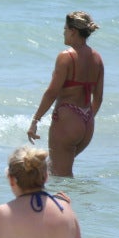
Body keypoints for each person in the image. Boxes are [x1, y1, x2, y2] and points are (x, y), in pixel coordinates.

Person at [26, 11, 103, 177]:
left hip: (68, 120)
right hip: (87, 122)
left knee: (61, 177)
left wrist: (35, 120)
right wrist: (86, 120)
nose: (63, 32)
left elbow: (52, 92)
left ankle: (68, 203)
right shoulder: (97, 58)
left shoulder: (66, 56)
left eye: (65, 28)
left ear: (73, 31)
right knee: (53, 169)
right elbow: (98, 97)